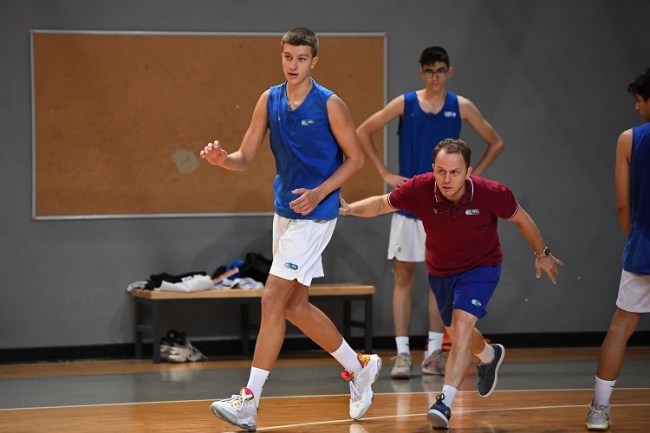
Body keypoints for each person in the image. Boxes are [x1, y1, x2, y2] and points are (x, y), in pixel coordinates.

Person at [200, 27, 381, 432]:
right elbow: (245, 157)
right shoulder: (269, 99)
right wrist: (222, 159)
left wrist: (319, 193)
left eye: (301, 58)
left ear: (314, 61)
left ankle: (249, 401)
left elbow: (355, 160)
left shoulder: (331, 104)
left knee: (271, 298)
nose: (293, 64)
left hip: (316, 215)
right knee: (295, 306)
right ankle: (359, 367)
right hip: (284, 213)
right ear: (281, 57)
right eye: (287, 57)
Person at [340, 138, 563, 430]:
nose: (447, 179)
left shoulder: (491, 193)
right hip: (441, 272)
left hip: (481, 269)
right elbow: (383, 204)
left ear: (468, 172)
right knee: (459, 332)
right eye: (441, 171)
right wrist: (348, 209)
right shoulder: (420, 188)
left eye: (455, 172)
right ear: (433, 168)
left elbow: (521, 219)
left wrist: (542, 253)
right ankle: (489, 355)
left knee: (462, 326)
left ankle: (444, 402)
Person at [356, 46, 504, 379]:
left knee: (443, 280)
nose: (435, 77)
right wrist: (384, 172)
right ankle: (402, 354)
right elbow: (363, 131)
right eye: (429, 71)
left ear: (448, 72)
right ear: (421, 73)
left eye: (440, 70)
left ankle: (434, 353)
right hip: (413, 203)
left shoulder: (461, 106)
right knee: (404, 276)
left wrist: (472, 177)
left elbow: (495, 141)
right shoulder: (405, 103)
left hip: (447, 210)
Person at [585, 68, 650, 431]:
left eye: (639, 100)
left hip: (643, 246)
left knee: (621, 326)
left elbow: (623, 204)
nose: (636, 107)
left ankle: (599, 409)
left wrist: (635, 236)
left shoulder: (629, 139)